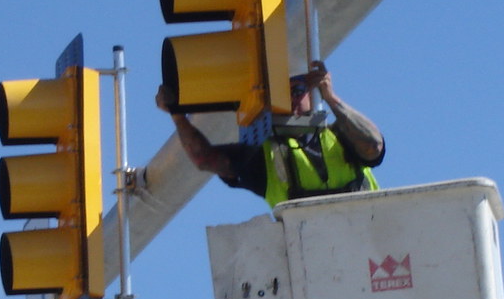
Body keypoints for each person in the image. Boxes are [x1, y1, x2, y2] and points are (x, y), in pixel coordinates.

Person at [156, 60, 384, 207]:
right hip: (314, 256)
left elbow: (373, 145)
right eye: (281, 94)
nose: (291, 99)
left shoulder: (342, 136)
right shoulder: (262, 157)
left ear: (312, 93)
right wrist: (177, 116)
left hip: (369, 239)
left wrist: (332, 99)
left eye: (297, 90)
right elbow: (206, 159)